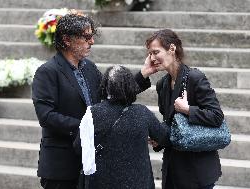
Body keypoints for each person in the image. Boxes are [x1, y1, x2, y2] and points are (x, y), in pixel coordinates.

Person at [32, 13, 156, 189]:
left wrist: (143, 74)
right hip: (61, 167)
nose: (92, 42)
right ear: (67, 40)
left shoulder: (89, 68)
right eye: (87, 37)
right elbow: (47, 116)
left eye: (92, 36)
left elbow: (114, 97)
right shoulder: (47, 72)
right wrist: (87, 126)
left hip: (91, 164)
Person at [143, 29, 224, 189]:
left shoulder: (195, 77)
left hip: (197, 171)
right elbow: (171, 124)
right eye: (150, 54)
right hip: (173, 170)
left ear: (172, 49)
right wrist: (159, 139)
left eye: (155, 52)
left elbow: (216, 116)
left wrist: (188, 109)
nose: (152, 58)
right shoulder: (162, 84)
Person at [74, 65, 170, 189]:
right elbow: (164, 137)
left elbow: (78, 146)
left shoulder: (93, 113)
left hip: (102, 182)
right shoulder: (142, 113)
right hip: (138, 183)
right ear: (131, 86)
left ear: (105, 86)